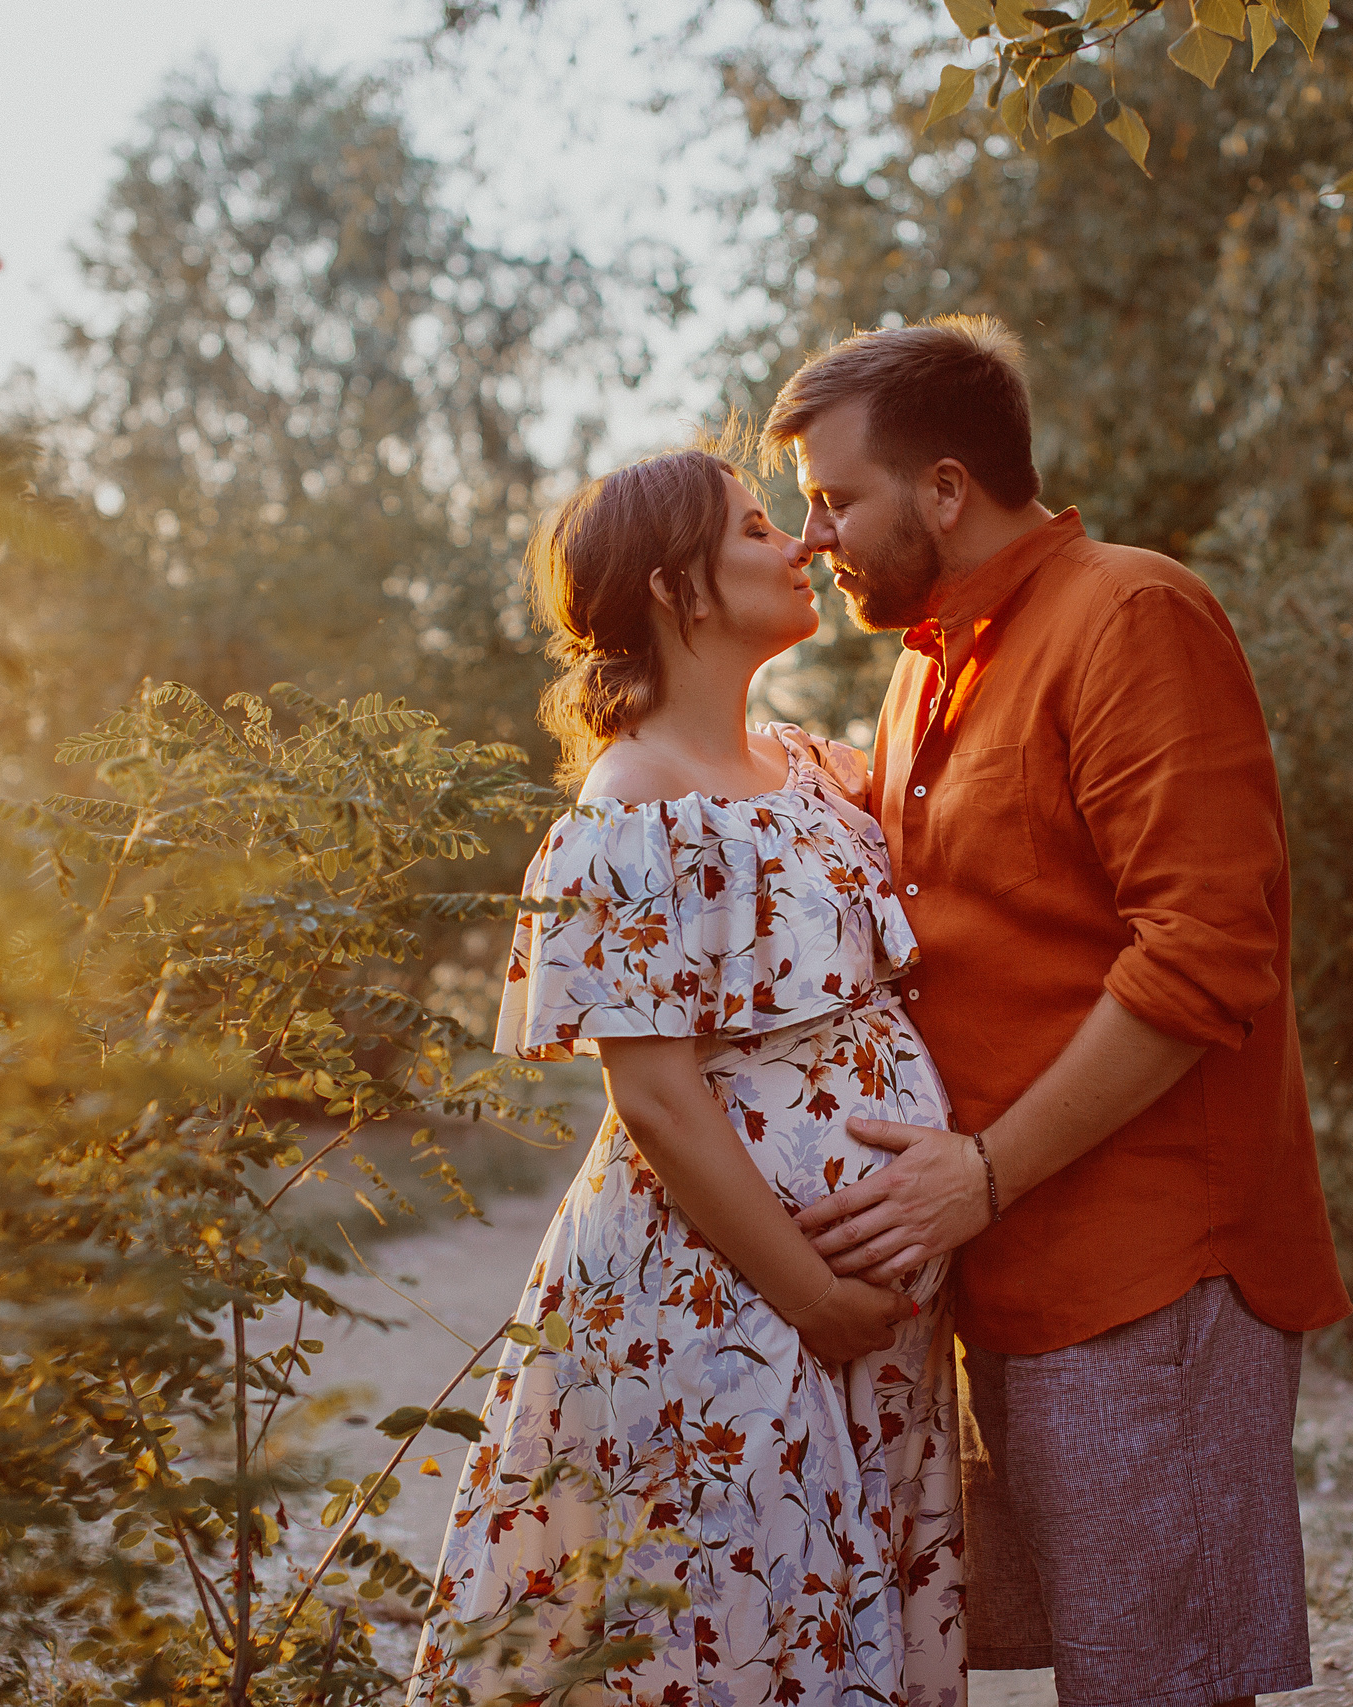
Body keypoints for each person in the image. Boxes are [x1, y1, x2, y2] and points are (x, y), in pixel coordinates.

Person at [765, 316, 1353, 1707]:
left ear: (948, 488)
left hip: (1154, 1264)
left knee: (1162, 1681)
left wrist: (979, 1172)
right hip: (1009, 1266)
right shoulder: (925, 665)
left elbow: (1207, 955)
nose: (811, 538)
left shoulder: (1131, 613)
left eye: (836, 499)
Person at [407, 448, 964, 1707]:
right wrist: (814, 1296)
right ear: (678, 590)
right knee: (731, 1632)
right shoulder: (628, 805)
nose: (802, 546)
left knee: (835, 1616)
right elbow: (653, 1097)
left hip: (860, 1319)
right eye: (761, 528)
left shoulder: (809, 771)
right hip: (727, 1305)